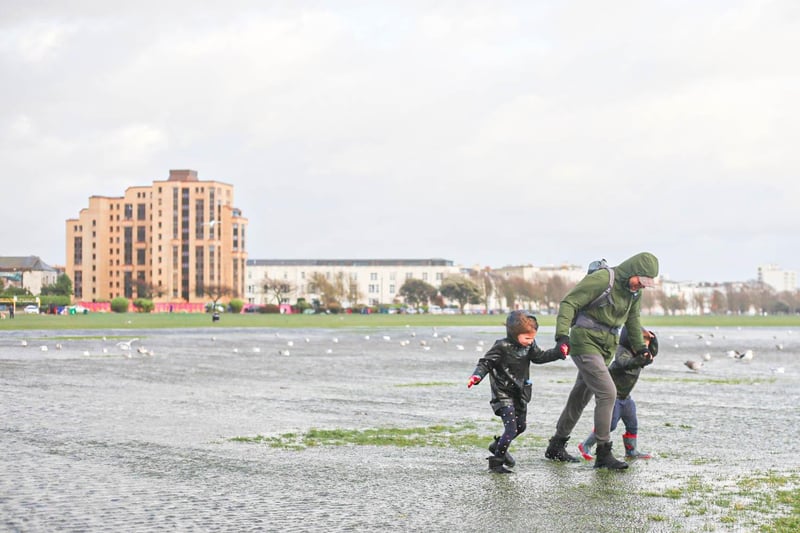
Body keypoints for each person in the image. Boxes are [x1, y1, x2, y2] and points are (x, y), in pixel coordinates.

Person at [544, 252, 659, 470]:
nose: (641, 286)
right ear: (633, 271)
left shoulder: (634, 293)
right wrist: (561, 336)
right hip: (584, 341)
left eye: (646, 284)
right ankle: (603, 452)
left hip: (606, 347)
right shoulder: (604, 279)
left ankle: (556, 445)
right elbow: (569, 303)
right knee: (608, 392)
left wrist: (641, 349)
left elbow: (633, 322)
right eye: (640, 281)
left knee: (580, 395)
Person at [467, 310, 566, 473]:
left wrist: (558, 353)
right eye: (527, 338)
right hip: (503, 393)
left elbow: (540, 357)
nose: (530, 341)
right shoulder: (501, 346)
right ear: (514, 334)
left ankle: (497, 446)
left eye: (532, 338)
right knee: (511, 429)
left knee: (521, 426)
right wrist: (476, 376)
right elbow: (485, 363)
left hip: (520, 393)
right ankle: (496, 462)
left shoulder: (530, 346)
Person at [577, 326, 658, 461]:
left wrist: (653, 338)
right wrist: (640, 360)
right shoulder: (623, 351)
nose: (644, 347)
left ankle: (631, 451)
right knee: (610, 425)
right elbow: (623, 363)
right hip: (612, 397)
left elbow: (653, 352)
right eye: (641, 343)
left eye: (646, 344)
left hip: (626, 398)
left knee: (632, 424)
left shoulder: (641, 354)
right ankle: (585, 445)